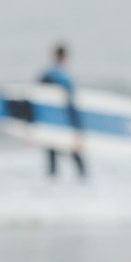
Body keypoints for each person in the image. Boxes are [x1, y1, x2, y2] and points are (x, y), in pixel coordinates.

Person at [38, 42, 85, 180]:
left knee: (53, 162)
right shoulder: (64, 78)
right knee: (75, 158)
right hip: (64, 123)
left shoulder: (46, 75)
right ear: (64, 57)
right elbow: (71, 105)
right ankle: (82, 184)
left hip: (50, 124)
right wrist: (77, 128)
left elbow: (38, 101)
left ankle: (54, 188)